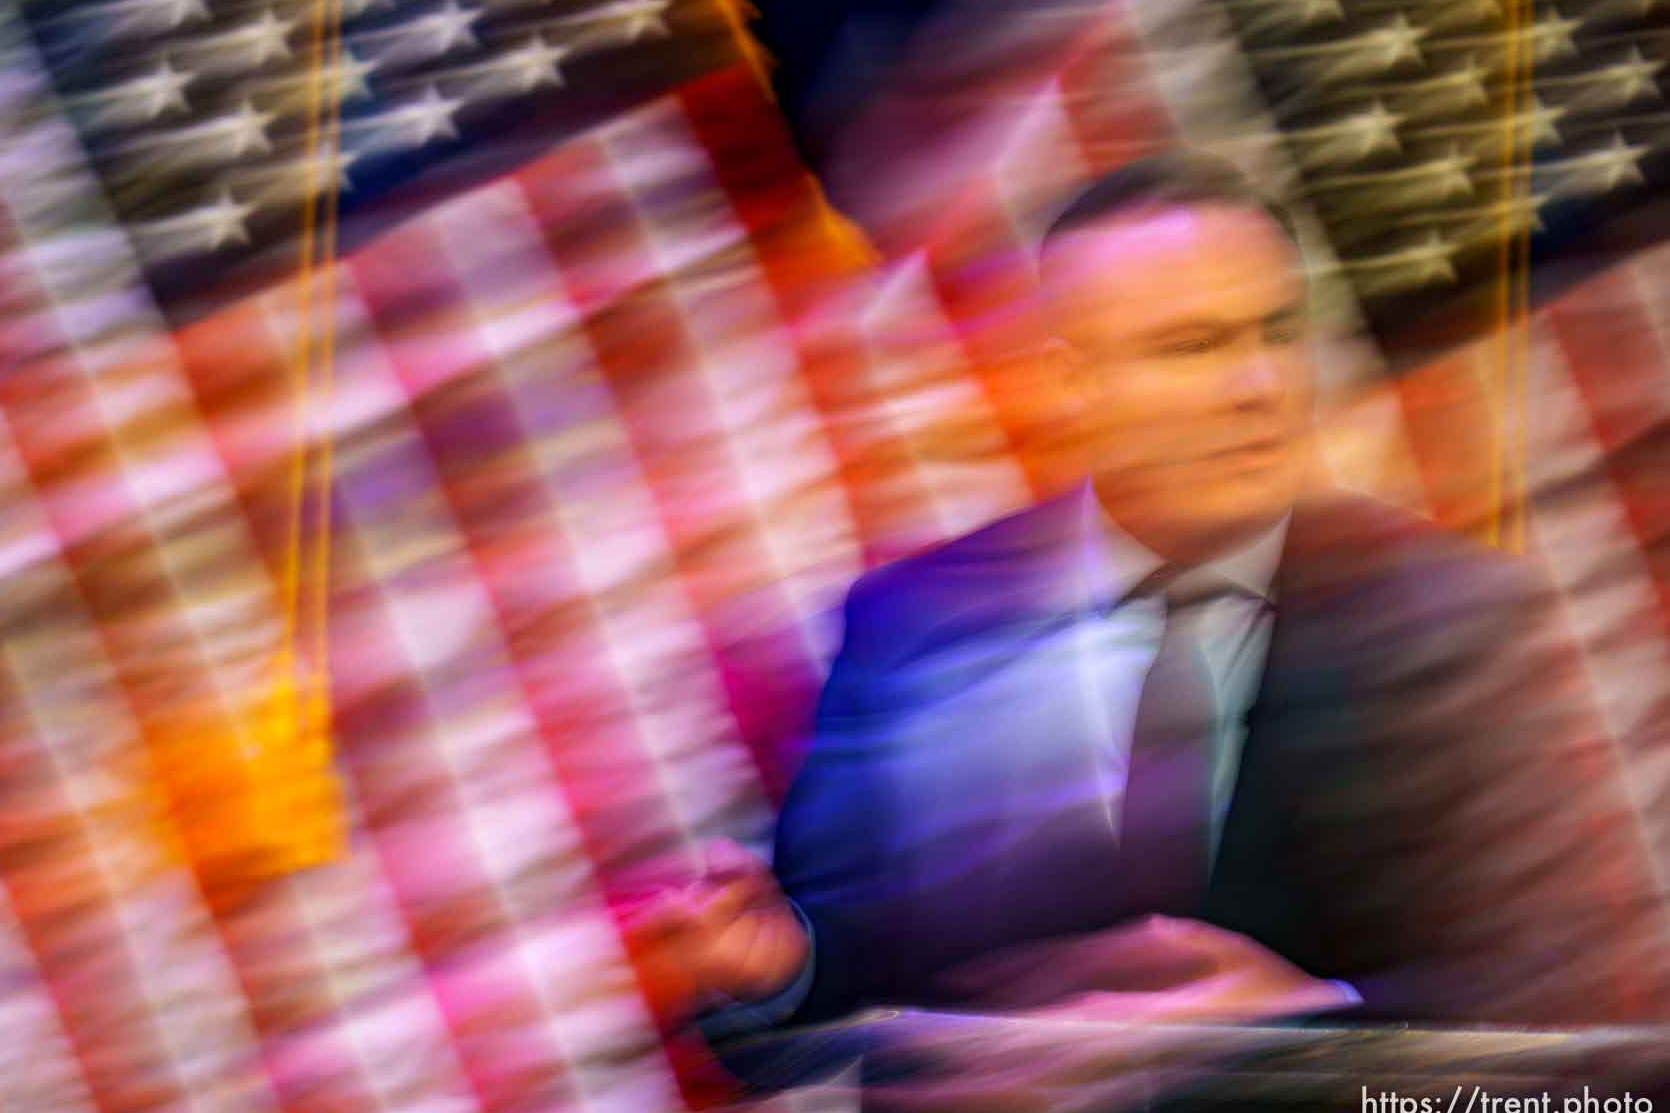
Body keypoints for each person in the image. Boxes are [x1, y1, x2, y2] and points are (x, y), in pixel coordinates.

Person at [634, 152, 1670, 1050]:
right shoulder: (913, 621)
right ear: (1070, 382)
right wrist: (780, 965)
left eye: (1279, 331)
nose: (1261, 386)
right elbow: (863, 960)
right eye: (1195, 346)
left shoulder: (1468, 621)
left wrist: (1319, 1024)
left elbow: (1573, 1007)